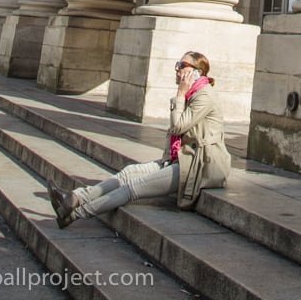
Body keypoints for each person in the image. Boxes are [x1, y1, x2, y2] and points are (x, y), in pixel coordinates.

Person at [46, 51, 230, 228]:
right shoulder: (193, 93)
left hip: (201, 164)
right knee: (128, 173)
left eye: (182, 65)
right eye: (177, 64)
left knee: (133, 187)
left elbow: (178, 126)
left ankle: (74, 215)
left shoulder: (204, 95)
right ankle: (74, 198)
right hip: (183, 158)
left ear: (197, 72)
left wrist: (180, 95)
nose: (177, 69)